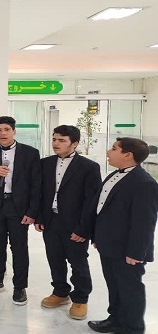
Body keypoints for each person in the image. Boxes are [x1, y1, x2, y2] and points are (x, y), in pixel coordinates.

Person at [88, 138, 158, 334]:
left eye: (114, 149)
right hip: (109, 244)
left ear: (128, 155)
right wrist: (98, 237)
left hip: (128, 250)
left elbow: (144, 223)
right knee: (114, 285)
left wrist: (136, 252)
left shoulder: (144, 183)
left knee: (130, 289)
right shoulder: (114, 174)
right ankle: (116, 319)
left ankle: (132, 328)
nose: (108, 152)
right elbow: (104, 209)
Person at [35, 125, 101, 320]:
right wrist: (39, 217)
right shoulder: (45, 163)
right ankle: (60, 292)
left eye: (62, 140)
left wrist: (84, 229)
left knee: (77, 261)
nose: (56, 143)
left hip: (75, 223)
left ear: (75, 144)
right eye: (54, 139)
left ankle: (80, 298)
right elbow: (39, 193)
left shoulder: (89, 167)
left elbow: (92, 201)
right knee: (54, 258)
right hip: (51, 220)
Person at [0, 116, 41, 306]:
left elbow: (36, 185)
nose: (2, 133)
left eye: (6, 129)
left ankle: (20, 287)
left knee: (19, 247)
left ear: (14, 131)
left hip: (18, 207)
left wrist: (32, 212)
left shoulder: (30, 153)